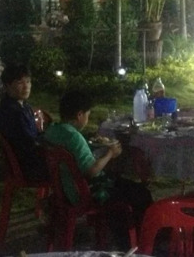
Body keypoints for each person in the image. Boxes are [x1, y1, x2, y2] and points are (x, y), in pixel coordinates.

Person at [43, 90, 152, 248]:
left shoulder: (53, 130)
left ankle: (122, 233)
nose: (87, 118)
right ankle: (141, 240)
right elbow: (91, 171)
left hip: (64, 189)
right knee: (140, 193)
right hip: (85, 192)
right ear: (80, 115)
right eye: (88, 114)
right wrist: (110, 154)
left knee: (123, 183)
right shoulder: (74, 137)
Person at [0, 64, 48, 182]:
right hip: (28, 167)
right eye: (20, 82)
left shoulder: (22, 106)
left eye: (28, 81)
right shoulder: (13, 112)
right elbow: (28, 144)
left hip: (26, 162)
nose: (26, 86)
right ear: (7, 86)